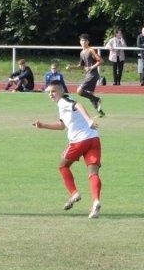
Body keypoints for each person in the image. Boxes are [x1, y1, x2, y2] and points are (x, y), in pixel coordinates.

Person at [32, 81, 103, 219]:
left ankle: (74, 193)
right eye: (49, 92)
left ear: (61, 91)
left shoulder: (64, 101)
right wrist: (43, 125)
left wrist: (89, 120)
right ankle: (96, 202)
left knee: (63, 166)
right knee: (93, 173)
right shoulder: (63, 103)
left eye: (53, 91)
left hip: (79, 141)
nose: (51, 94)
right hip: (93, 139)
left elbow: (78, 105)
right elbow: (62, 126)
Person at [66, 34, 106, 116]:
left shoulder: (91, 50)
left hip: (93, 74)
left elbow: (101, 61)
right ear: (80, 42)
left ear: (88, 42)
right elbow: (81, 66)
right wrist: (72, 67)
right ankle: (101, 113)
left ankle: (97, 99)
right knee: (90, 95)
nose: (83, 42)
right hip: (89, 74)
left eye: (84, 40)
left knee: (79, 91)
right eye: (81, 40)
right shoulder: (82, 53)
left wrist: (91, 67)